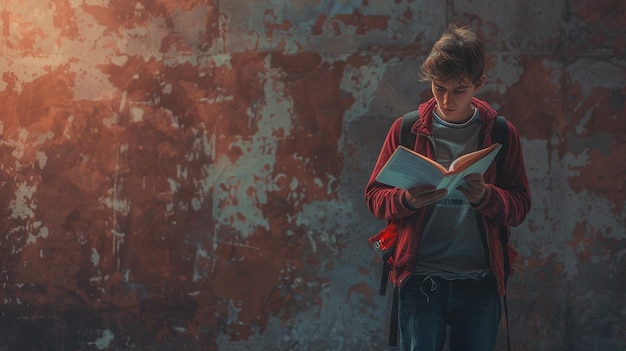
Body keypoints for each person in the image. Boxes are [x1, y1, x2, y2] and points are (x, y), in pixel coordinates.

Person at [365, 24, 531, 351]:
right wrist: (407, 199)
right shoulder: (407, 129)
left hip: (480, 284)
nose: (445, 99)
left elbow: (520, 206)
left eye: (459, 90)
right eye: (438, 87)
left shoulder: (500, 132)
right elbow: (374, 197)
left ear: (478, 85)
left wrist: (487, 196)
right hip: (420, 281)